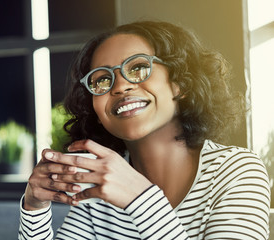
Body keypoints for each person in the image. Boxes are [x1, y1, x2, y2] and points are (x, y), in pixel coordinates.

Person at [18, 20, 271, 239]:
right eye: (102, 79)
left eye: (138, 68)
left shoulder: (236, 170)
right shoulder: (98, 189)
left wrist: (139, 198)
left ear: (180, 82)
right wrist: (34, 208)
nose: (120, 87)